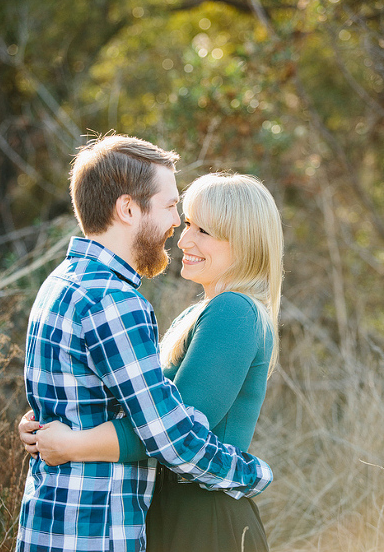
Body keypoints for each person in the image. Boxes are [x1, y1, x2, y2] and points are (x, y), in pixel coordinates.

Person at [14, 135, 274, 552]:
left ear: (242, 239)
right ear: (128, 208)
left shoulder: (63, 282)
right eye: (180, 216)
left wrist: (66, 438)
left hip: (200, 517)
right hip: (127, 518)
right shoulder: (119, 299)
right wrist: (49, 423)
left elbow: (167, 425)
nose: (181, 235)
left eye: (202, 229)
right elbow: (162, 426)